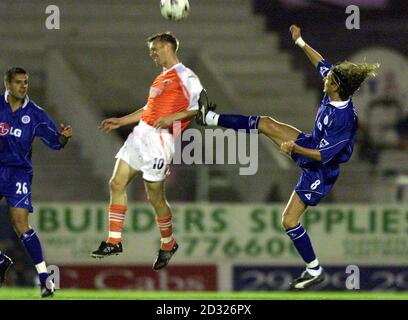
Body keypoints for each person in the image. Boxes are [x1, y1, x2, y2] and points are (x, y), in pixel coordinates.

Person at [196, 25, 379, 289]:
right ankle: (208, 118)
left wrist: (294, 148)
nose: (325, 79)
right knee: (266, 123)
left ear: (338, 88)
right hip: (312, 144)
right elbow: (321, 64)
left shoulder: (344, 119)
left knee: (289, 220)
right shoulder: (335, 87)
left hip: (321, 169)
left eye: (329, 80)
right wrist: (300, 41)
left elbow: (323, 155)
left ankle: (314, 270)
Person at [91, 32, 204, 271]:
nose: (151, 53)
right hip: (140, 135)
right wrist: (121, 121)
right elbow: (148, 108)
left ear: (167, 47)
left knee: (155, 198)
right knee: (116, 183)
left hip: (159, 141)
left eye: (154, 49)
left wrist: (173, 117)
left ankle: (168, 243)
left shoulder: (187, 76)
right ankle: (114, 240)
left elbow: (200, 107)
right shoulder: (161, 77)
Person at [0, 67, 73, 297]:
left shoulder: (35, 113)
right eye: (19, 82)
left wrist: (63, 137)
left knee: (20, 222)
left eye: (26, 82)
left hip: (19, 172)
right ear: (8, 84)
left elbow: (56, 141)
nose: (23, 86)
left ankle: (44, 279)